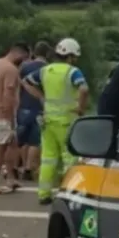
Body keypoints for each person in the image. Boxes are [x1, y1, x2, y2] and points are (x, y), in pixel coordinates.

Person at [36, 38, 89, 204]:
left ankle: (44, 194)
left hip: (48, 120)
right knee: (70, 158)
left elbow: (26, 82)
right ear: (71, 56)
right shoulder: (73, 71)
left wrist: (42, 99)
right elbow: (84, 89)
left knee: (48, 158)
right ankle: (68, 193)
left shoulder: (45, 70)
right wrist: (80, 108)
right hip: (66, 121)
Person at [0, 43, 29, 194]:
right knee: (1, 147)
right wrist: (10, 117)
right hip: (4, 113)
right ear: (19, 54)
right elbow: (8, 94)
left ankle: (11, 177)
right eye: (23, 58)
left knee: (12, 145)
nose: (23, 62)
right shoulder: (11, 69)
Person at [17, 41, 52, 181]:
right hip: (39, 107)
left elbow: (18, 85)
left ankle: (23, 164)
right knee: (35, 141)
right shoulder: (48, 69)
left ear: (34, 52)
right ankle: (29, 168)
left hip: (23, 106)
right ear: (47, 54)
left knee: (23, 140)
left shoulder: (24, 67)